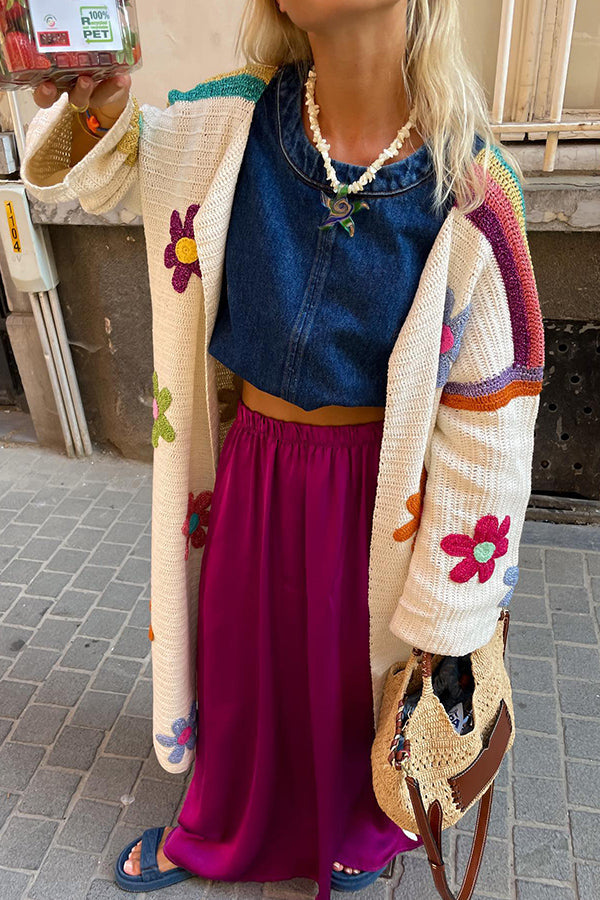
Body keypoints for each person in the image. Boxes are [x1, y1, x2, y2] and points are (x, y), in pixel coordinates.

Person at [22, 0, 544, 897]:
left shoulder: (474, 190)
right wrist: (90, 103)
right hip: (253, 466)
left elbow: (492, 421)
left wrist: (451, 615)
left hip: (379, 498)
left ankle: (354, 831)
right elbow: (86, 178)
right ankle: (217, 824)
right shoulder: (229, 123)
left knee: (354, 679)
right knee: (238, 662)